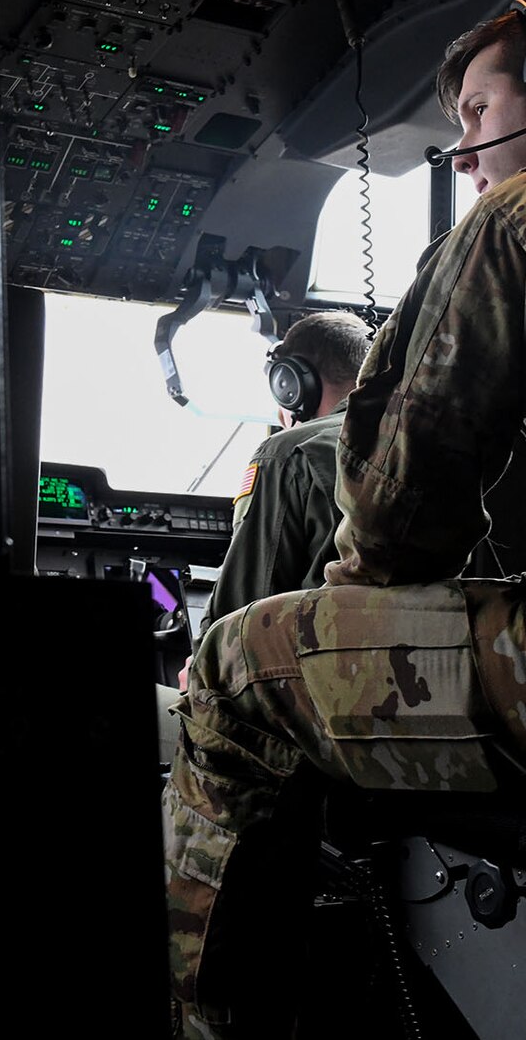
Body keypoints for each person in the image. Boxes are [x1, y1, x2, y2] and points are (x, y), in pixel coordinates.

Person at [162, 0, 526, 1038]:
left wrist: (328, 632)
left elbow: (392, 512)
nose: (463, 153)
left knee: (237, 679)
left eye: (474, 112)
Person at [153, 309, 373, 766]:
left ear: (291, 384)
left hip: (312, 720)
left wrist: (200, 668)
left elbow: (240, 617)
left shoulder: (291, 453)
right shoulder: (431, 448)